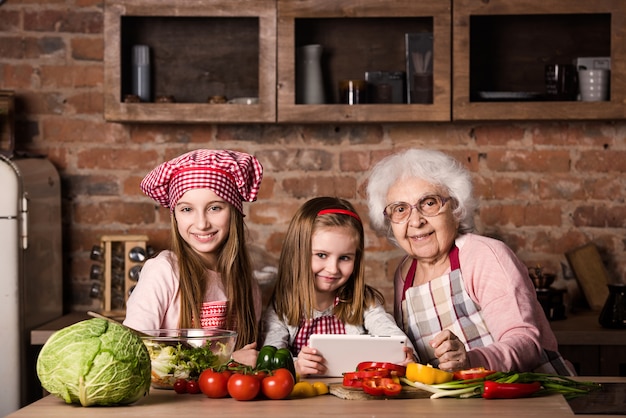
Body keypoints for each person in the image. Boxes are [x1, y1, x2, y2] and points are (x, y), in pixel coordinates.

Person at [366, 149, 575, 375]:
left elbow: (526, 343)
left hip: (532, 397)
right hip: (464, 404)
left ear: (455, 208)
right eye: (400, 209)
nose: (415, 221)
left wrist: (471, 361)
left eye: (429, 203)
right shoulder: (404, 274)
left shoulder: (484, 256)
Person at [124, 149, 264, 366]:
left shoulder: (247, 283)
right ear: (175, 216)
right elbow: (133, 351)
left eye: (215, 208)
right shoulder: (163, 271)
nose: (201, 224)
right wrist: (227, 361)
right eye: (187, 209)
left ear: (234, 211)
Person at [262, 196, 415, 376]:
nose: (332, 269)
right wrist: (295, 366)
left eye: (344, 258)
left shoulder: (365, 301)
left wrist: (405, 356)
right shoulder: (282, 305)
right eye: (321, 255)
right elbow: (269, 359)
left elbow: (393, 337)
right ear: (298, 253)